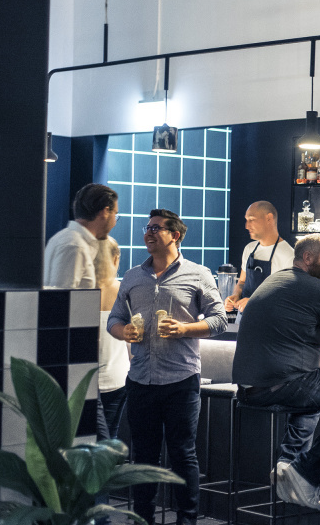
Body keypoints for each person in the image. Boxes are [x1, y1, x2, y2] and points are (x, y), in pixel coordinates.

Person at [107, 209, 227, 525]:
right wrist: (123, 331)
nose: (148, 233)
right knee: (143, 457)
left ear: (175, 235)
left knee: (182, 454)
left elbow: (219, 320)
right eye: (147, 228)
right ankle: (141, 519)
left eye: (156, 228)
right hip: (140, 379)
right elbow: (114, 318)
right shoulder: (133, 276)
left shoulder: (198, 274)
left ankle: (186, 520)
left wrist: (185, 329)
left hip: (181, 380)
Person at [232, 233, 320, 511]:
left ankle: (287, 467)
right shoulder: (313, 287)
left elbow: (309, 325)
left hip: (250, 389)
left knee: (314, 400)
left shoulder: (276, 280)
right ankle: (306, 474)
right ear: (308, 258)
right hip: (283, 383)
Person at [224, 201, 295, 317]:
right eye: (246, 220)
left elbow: (288, 297)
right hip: (244, 318)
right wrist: (236, 295)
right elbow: (242, 282)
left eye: (251, 219)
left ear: (269, 218)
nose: (246, 226)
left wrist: (254, 302)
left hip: (270, 321)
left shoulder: (289, 255)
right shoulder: (249, 249)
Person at [44, 183, 119, 289]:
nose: (115, 223)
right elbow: (63, 297)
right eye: (115, 214)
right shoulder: (75, 246)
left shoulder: (68, 239)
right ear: (105, 212)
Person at [94, 236, 130, 442]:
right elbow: (134, 339)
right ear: (116, 259)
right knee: (109, 440)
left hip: (84, 379)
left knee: (85, 441)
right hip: (118, 377)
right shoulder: (124, 291)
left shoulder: (77, 290)